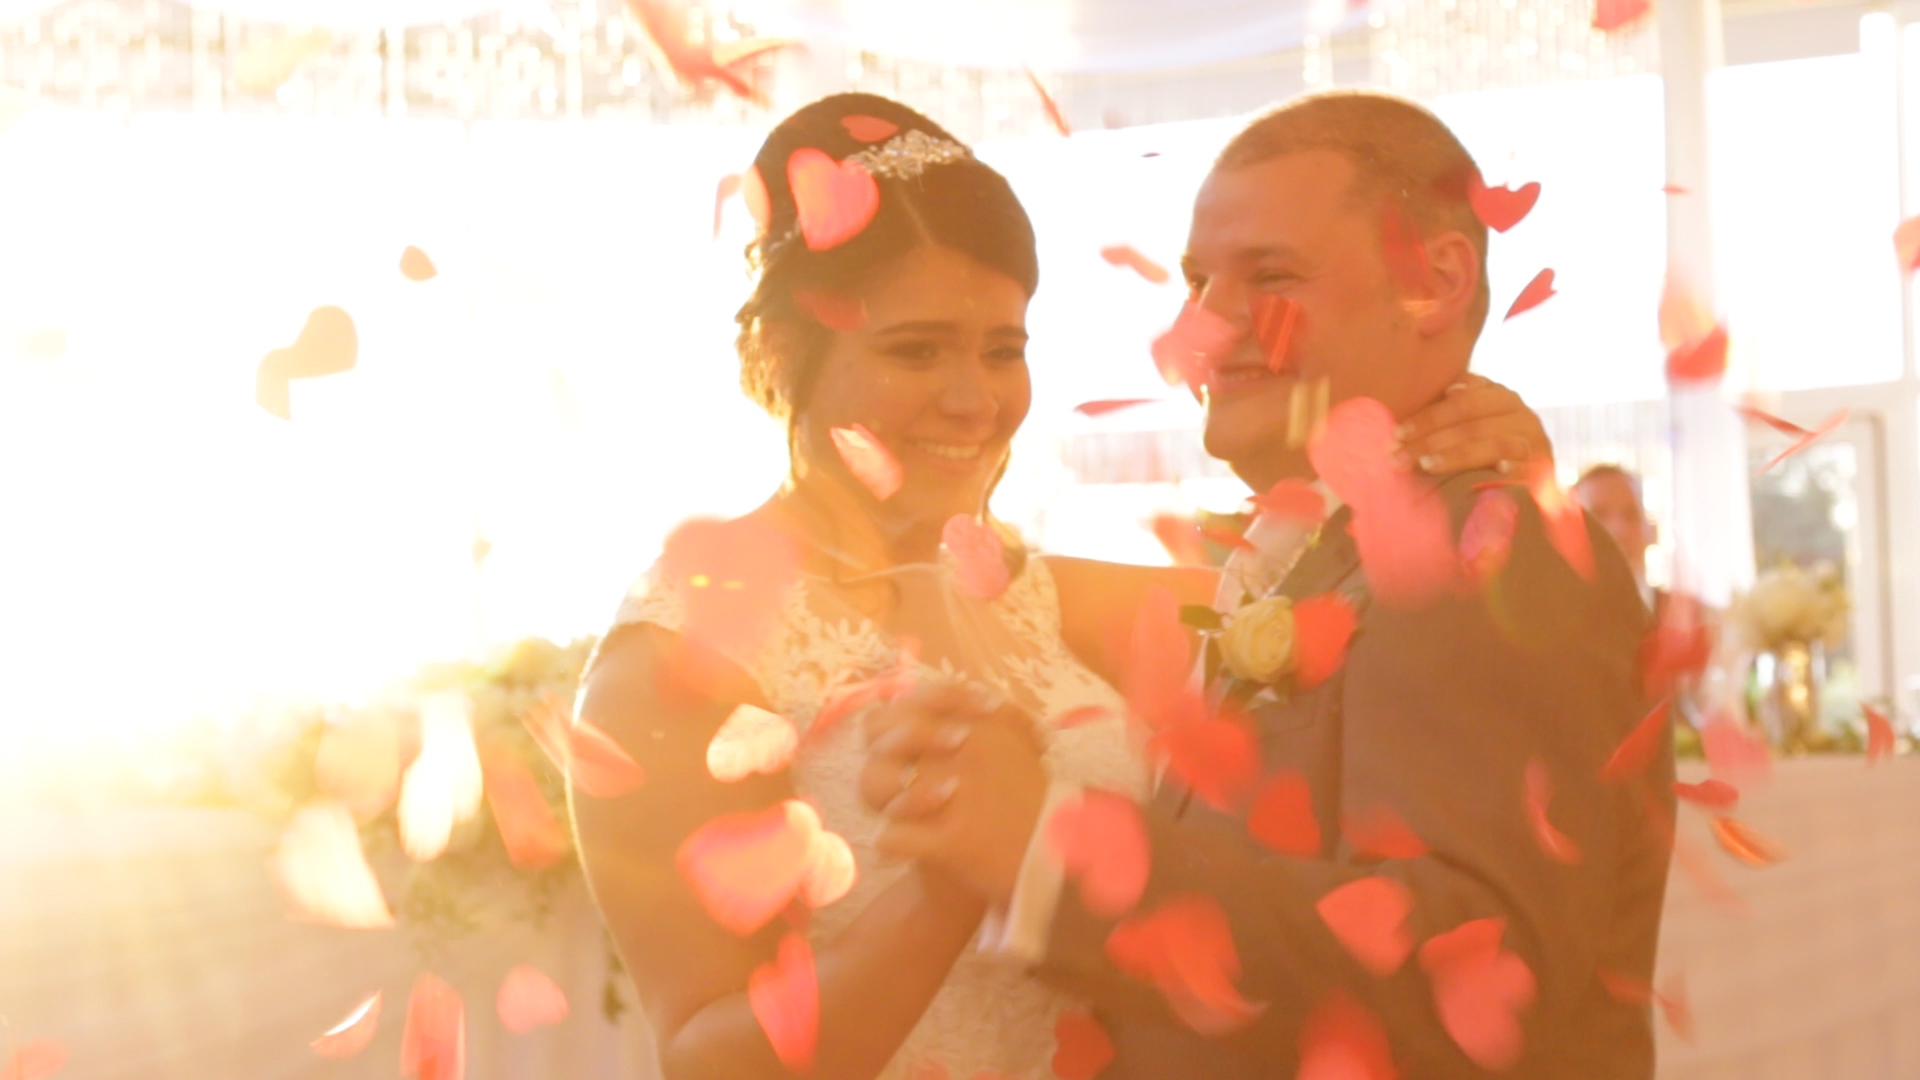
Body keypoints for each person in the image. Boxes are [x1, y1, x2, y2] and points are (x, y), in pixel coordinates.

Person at [570, 92, 1556, 1080]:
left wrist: (1461, 438)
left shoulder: (1051, 605)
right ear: (786, 353)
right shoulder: (675, 659)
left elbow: (1351, 609)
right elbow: (710, 1058)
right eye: (916, 350)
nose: (975, 399)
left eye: (1003, 350)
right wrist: (954, 883)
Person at [864, 91, 1674, 1078]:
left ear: (1435, 283)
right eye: (1198, 282)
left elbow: (1472, 978)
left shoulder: (1488, 546)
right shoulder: (1328, 551)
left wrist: (1052, 852)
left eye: (1272, 277)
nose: (1203, 331)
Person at [1576, 463, 1660, 612]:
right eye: (1598, 516)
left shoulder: (1696, 619)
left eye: (1631, 514)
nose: (1619, 531)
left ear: (1651, 531)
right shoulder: (1550, 618)